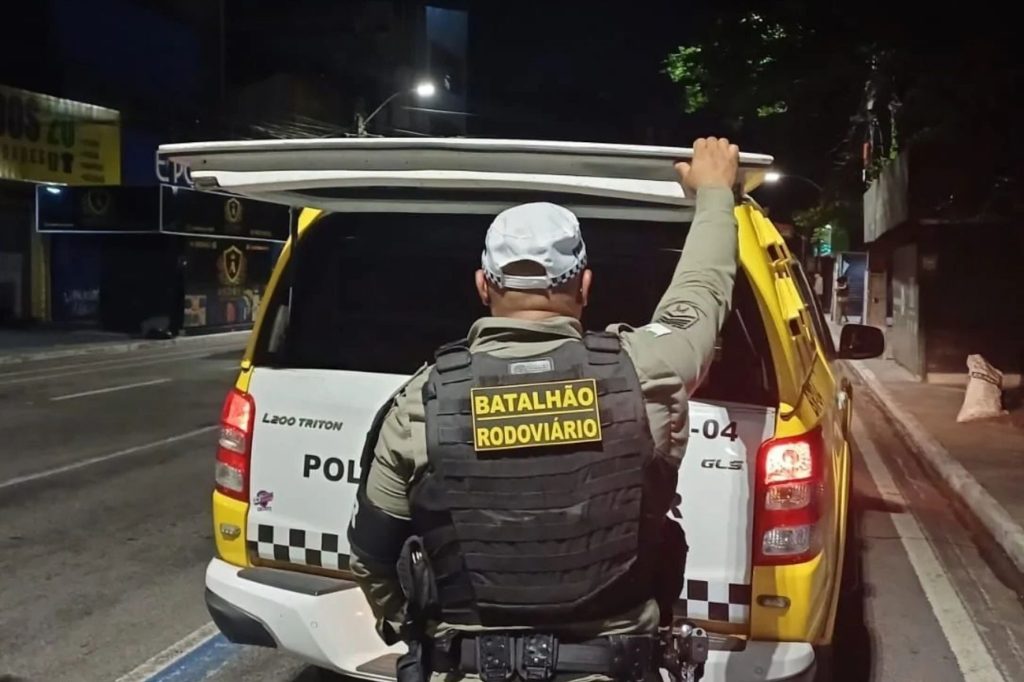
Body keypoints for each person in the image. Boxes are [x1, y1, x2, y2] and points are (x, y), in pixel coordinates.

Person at [348, 137, 742, 682]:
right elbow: (700, 296)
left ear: (483, 285)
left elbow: (372, 555)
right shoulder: (647, 370)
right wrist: (716, 194)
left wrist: (417, 633)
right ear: (585, 284)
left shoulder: (421, 401)